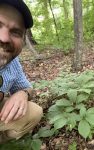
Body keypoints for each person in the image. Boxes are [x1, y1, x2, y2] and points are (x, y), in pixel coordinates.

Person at [0, 0, 43, 143]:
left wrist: (22, 93)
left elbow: (27, 87)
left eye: (15, 32)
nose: (4, 38)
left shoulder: (13, 63)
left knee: (35, 112)